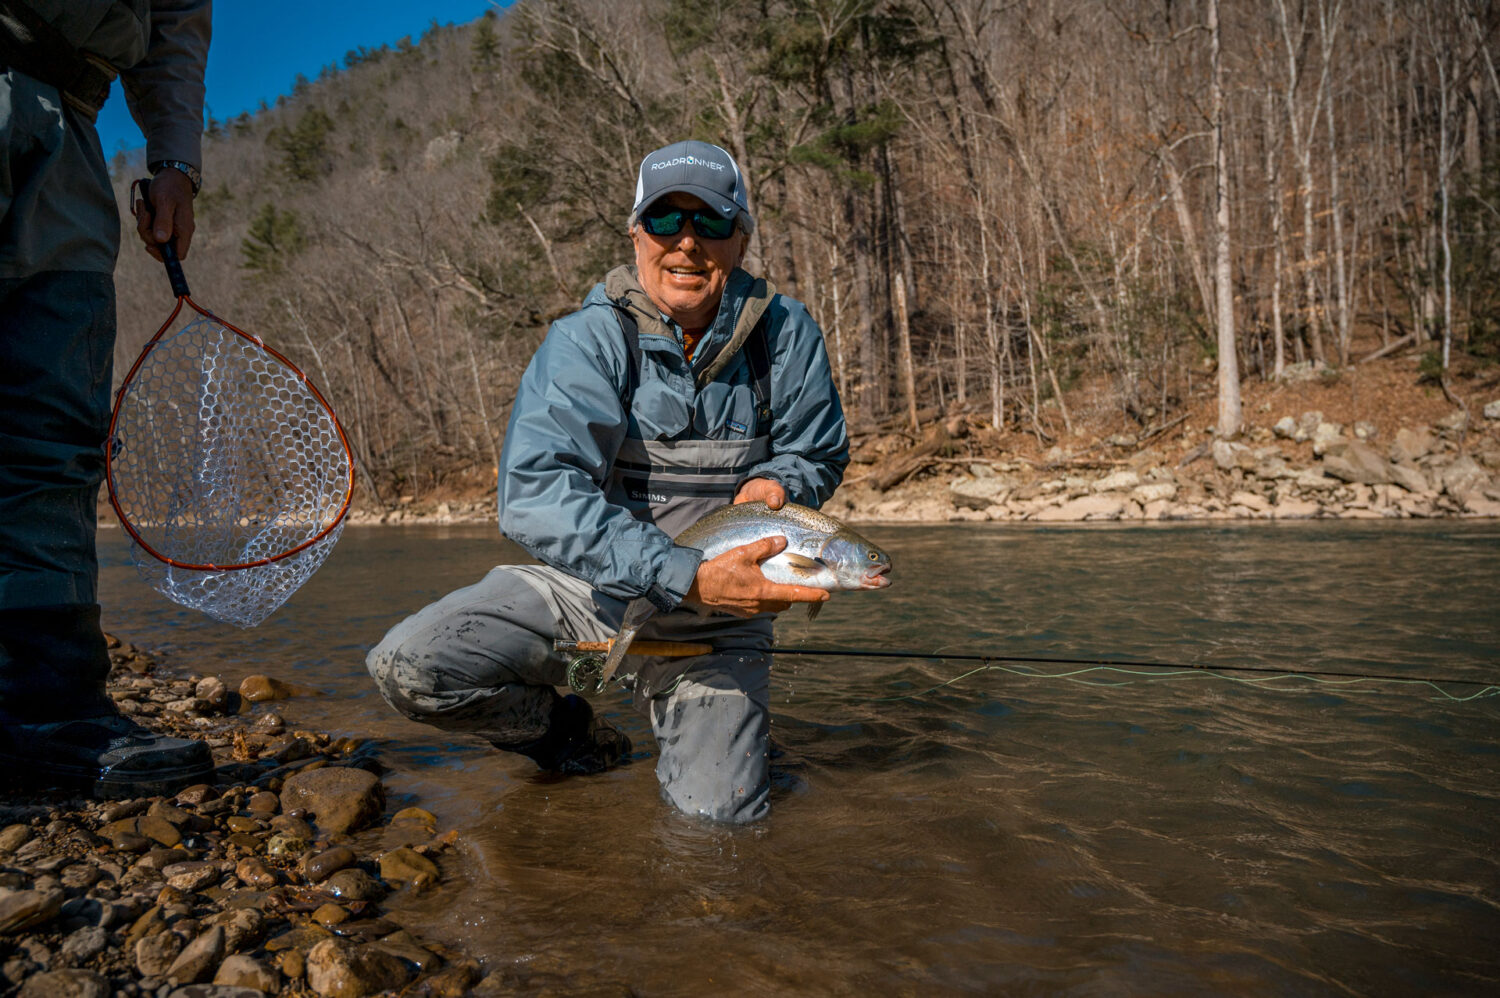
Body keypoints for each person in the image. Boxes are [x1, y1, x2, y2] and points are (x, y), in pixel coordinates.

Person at [367, 139, 849, 823]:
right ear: (635, 235)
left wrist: (780, 477)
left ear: (740, 239)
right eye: (665, 222)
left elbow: (818, 452)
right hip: (591, 601)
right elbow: (535, 495)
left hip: (722, 622)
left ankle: (707, 736)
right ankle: (564, 733)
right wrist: (679, 571)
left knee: (716, 832)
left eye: (710, 224)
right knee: (411, 667)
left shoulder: (786, 334)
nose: (687, 244)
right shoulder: (587, 341)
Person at [0, 0, 213, 795]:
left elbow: (177, 23)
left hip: (72, 135)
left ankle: (51, 709)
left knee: (56, 438)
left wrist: (177, 161)